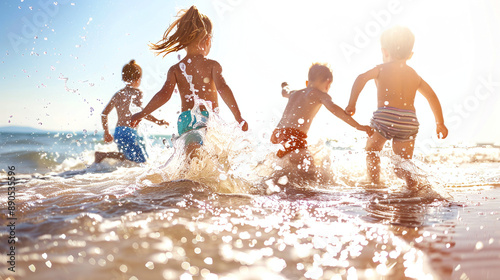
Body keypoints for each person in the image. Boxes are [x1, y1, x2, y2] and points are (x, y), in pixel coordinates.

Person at [131, 6, 247, 158]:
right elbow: (223, 89)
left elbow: (163, 95)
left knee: (190, 158)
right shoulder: (212, 65)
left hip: (185, 120)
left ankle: (184, 180)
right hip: (207, 119)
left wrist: (142, 113)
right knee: (211, 162)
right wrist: (238, 117)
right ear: (207, 39)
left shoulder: (176, 69)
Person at [345, 26, 449, 188]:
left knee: (372, 150)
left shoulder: (380, 68)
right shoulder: (414, 75)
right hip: (409, 122)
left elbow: (361, 78)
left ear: (385, 52)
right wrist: (439, 123)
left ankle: (374, 183)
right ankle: (412, 185)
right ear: (410, 55)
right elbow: (432, 96)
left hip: (385, 118)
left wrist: (352, 104)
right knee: (403, 164)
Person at [271, 63, 373, 173]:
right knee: (311, 171)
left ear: (307, 82)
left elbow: (284, 92)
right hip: (294, 136)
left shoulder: (294, 93)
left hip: (278, 134)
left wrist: (284, 85)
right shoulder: (320, 94)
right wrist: (358, 126)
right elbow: (334, 109)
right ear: (327, 83)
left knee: (286, 168)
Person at [95, 60, 168, 164]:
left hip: (119, 131)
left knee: (128, 158)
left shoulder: (118, 94)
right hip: (130, 131)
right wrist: (157, 121)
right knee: (141, 162)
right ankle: (102, 155)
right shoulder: (137, 93)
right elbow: (142, 112)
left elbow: (104, 113)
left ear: (124, 78)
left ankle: (102, 155)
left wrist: (106, 132)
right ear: (138, 79)